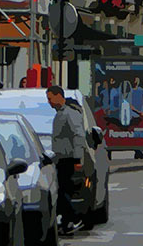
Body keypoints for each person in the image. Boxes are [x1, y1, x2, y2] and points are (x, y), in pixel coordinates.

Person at [47, 85, 86, 235]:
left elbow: (78, 135)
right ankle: (66, 222)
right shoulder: (60, 113)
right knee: (62, 190)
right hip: (61, 158)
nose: (49, 102)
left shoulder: (70, 113)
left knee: (64, 190)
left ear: (58, 96)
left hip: (68, 159)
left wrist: (77, 159)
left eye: (50, 98)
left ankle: (73, 218)